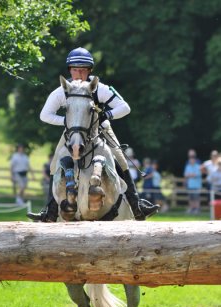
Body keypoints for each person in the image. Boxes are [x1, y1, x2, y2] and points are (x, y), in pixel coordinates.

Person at [28, 47, 159, 222]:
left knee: (121, 159)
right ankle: (50, 210)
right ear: (69, 70)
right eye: (75, 70)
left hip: (101, 128)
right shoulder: (62, 91)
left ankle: (137, 206)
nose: (78, 74)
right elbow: (44, 115)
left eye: (82, 70)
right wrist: (67, 124)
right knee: (54, 165)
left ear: (90, 71)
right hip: (73, 132)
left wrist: (107, 115)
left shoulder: (100, 89)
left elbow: (125, 107)